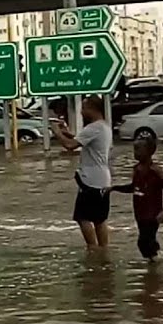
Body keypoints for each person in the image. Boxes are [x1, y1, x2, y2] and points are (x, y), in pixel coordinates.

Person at [52, 96, 113, 249]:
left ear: (93, 109)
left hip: (91, 181)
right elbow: (81, 140)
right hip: (103, 180)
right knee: (99, 219)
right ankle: (103, 249)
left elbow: (70, 145)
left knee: (82, 217)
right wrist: (67, 132)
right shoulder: (103, 126)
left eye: (84, 108)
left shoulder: (93, 128)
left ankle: (92, 248)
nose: (81, 112)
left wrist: (57, 132)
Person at [109, 138, 163, 260]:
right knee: (146, 240)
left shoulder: (156, 171)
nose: (135, 153)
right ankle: (154, 261)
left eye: (138, 150)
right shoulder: (136, 169)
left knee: (144, 241)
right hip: (140, 213)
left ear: (150, 151)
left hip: (153, 214)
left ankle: (156, 263)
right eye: (134, 149)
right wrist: (114, 188)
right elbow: (133, 188)